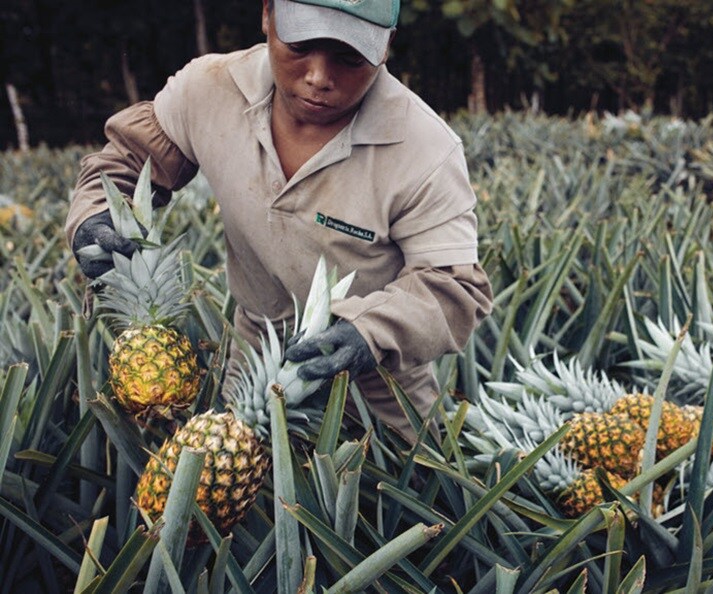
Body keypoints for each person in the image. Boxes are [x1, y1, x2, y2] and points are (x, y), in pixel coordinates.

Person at [65, 0, 493, 441]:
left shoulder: (425, 149)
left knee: (408, 500)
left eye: (349, 57)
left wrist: (369, 332)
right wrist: (93, 214)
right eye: (301, 45)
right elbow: (128, 161)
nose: (319, 78)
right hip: (255, 356)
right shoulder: (209, 89)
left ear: (386, 46)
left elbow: (453, 285)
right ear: (268, 14)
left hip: (379, 382)